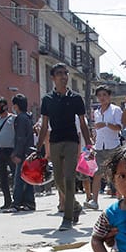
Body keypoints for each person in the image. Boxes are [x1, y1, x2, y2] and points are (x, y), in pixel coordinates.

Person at [40, 64, 91, 230]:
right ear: (53, 78)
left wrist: (89, 144)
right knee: (58, 179)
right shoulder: (47, 99)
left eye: (65, 73)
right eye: (59, 74)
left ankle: (67, 219)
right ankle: (75, 206)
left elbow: (83, 123)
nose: (63, 76)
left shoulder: (76, 98)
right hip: (55, 141)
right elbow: (44, 125)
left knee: (69, 179)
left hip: (71, 141)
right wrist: (37, 147)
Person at [89, 85, 122, 209]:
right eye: (100, 95)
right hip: (99, 146)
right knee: (97, 174)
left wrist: (106, 124)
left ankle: (120, 199)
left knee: (116, 174)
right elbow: (97, 129)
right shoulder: (96, 112)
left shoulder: (115, 110)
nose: (102, 98)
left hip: (112, 145)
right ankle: (94, 201)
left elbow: (119, 127)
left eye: (104, 95)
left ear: (109, 96)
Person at [10, 94, 36, 212]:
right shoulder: (28, 118)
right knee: (28, 179)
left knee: (19, 180)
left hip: (23, 153)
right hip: (29, 152)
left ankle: (16, 204)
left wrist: (16, 154)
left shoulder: (20, 118)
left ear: (16, 106)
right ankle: (29, 203)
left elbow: (20, 138)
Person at [0, 98, 16, 211]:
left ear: (5, 106)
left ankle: (17, 200)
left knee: (15, 176)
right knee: (3, 178)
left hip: (11, 151)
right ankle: (7, 201)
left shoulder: (13, 119)